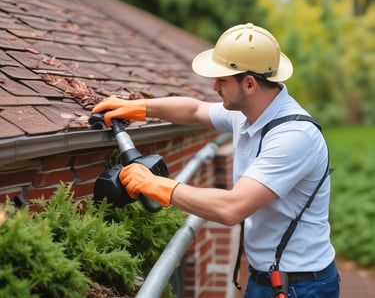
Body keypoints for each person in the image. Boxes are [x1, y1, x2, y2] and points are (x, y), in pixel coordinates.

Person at [92, 23, 340, 298]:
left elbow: (232, 208)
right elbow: (195, 110)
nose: (214, 86)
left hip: (302, 287)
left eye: (222, 80)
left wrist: (155, 185)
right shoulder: (248, 112)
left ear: (249, 84)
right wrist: (138, 107)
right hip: (267, 279)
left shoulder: (294, 136)